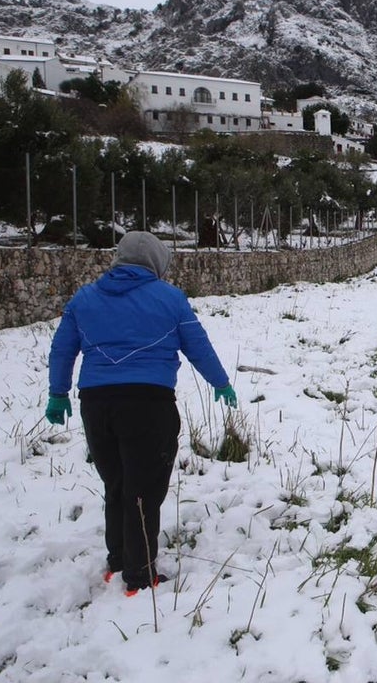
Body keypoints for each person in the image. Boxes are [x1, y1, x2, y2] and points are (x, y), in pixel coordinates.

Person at [45, 231, 237, 597]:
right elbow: (198, 345)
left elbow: (62, 349)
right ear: (156, 261)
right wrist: (221, 382)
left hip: (96, 405)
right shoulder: (169, 299)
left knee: (115, 483)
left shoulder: (84, 298)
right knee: (143, 491)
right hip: (149, 405)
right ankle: (139, 575)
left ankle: (117, 560)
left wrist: (58, 393)